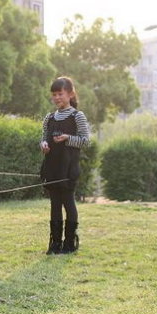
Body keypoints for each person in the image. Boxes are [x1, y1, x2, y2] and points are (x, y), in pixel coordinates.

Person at [40, 77, 90, 255]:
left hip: (68, 168)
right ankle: (55, 244)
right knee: (54, 205)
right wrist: (44, 145)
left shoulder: (78, 116)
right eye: (54, 94)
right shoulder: (49, 117)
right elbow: (44, 138)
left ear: (70, 94)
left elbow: (85, 142)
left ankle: (69, 243)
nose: (57, 98)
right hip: (52, 167)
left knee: (68, 203)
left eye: (60, 94)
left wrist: (68, 138)